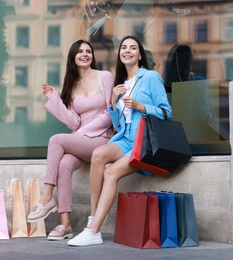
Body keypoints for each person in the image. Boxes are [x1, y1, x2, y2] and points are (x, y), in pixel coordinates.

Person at [67, 36, 172, 246]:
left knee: (111, 172)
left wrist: (142, 107)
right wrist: (114, 104)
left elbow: (166, 112)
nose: (127, 51)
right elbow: (119, 123)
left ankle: (94, 230)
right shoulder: (121, 84)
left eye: (133, 48)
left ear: (140, 55)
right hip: (125, 138)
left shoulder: (150, 77)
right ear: (120, 54)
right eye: (124, 48)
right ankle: (93, 216)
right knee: (98, 154)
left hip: (143, 142)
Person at [26, 39, 114, 241]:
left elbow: (111, 112)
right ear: (73, 57)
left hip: (102, 139)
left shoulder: (104, 77)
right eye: (80, 51)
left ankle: (47, 196)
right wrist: (54, 100)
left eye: (88, 51)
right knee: (64, 165)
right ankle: (65, 224)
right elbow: (74, 122)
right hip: (82, 141)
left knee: (56, 140)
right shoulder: (72, 85)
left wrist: (82, 133)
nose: (85, 54)